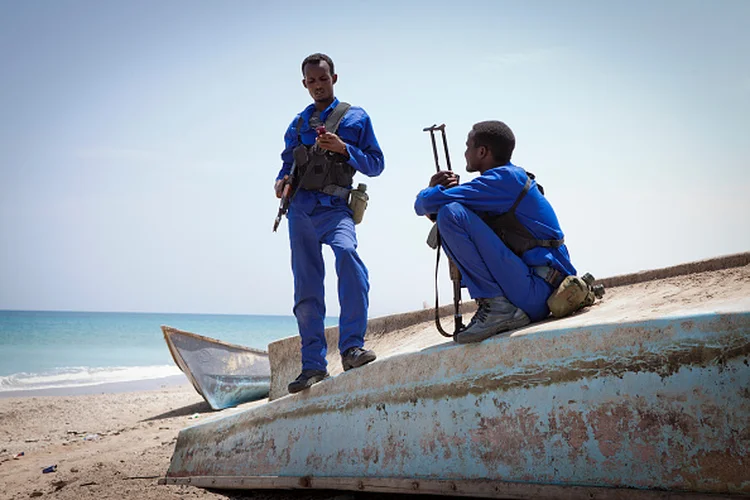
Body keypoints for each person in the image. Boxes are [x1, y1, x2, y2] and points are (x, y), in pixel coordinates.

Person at [275, 53, 385, 393]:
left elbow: (376, 164)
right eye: (311, 81)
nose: (318, 86)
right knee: (306, 288)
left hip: (336, 208)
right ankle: (312, 367)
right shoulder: (297, 124)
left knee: (349, 259)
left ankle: (352, 347)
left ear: (334, 78)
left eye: (323, 79)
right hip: (301, 210)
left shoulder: (356, 117)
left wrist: (343, 149)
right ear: (304, 84)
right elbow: (284, 166)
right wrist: (281, 184)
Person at [414, 120, 576, 344]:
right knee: (450, 213)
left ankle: (498, 308)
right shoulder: (507, 180)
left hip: (536, 291)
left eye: (468, 146)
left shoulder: (504, 180)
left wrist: (432, 189)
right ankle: (498, 307)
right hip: (543, 288)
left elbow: (423, 204)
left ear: (482, 151)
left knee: (450, 214)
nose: (465, 153)